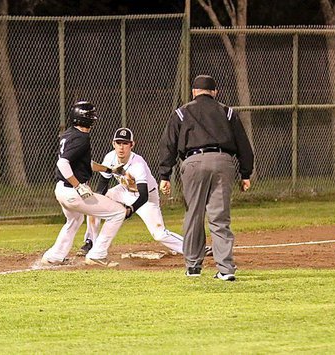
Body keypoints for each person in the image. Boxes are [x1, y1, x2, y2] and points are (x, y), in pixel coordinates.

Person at [157, 75, 254, 280]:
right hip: (223, 162)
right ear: (215, 92)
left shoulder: (182, 112)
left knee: (194, 215)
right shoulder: (227, 112)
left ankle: (193, 266)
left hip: (193, 162)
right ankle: (226, 270)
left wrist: (165, 174)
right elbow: (244, 145)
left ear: (193, 92)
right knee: (220, 218)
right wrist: (245, 173)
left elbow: (169, 144)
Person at [78, 127, 201, 257]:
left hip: (146, 198)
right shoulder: (110, 158)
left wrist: (130, 210)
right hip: (123, 191)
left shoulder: (137, 164)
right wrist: (99, 203)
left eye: (125, 143)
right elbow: (102, 185)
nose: (121, 147)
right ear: (113, 144)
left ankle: (194, 248)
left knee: (159, 234)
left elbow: (144, 195)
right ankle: (91, 242)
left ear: (132, 145)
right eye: (118, 143)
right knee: (94, 201)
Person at [41, 101, 128, 268]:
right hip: (72, 191)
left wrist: (109, 169)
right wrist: (77, 185)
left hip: (61, 189)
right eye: (91, 117)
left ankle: (54, 257)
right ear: (86, 120)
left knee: (75, 219)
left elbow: (85, 163)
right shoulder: (80, 138)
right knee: (118, 213)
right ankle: (97, 254)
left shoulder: (69, 134)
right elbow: (63, 164)